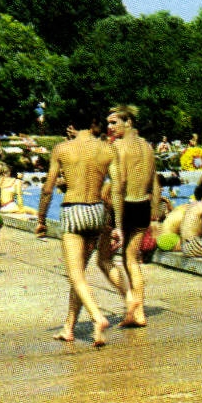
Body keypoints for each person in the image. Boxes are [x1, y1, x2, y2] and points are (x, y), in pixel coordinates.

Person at [43, 116, 122, 346]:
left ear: (72, 126)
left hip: (73, 209)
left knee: (75, 275)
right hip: (97, 210)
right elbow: (116, 190)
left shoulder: (62, 148)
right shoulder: (108, 150)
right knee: (80, 275)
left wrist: (41, 218)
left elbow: (48, 188)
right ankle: (69, 328)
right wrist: (116, 225)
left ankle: (98, 317)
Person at [108, 105, 160, 328]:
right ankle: (140, 312)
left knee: (116, 259)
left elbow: (118, 186)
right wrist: (155, 213)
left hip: (126, 204)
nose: (110, 128)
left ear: (128, 122)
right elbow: (155, 182)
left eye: (114, 122)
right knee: (132, 259)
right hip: (143, 205)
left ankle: (134, 309)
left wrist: (116, 222)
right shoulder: (147, 146)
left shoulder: (118, 147)